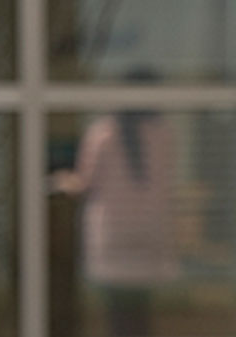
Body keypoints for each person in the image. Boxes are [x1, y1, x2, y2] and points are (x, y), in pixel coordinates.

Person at [53, 110, 179, 337]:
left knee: (118, 316)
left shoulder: (102, 134)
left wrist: (59, 179)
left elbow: (83, 183)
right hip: (149, 237)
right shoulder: (162, 134)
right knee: (141, 314)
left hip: (112, 241)